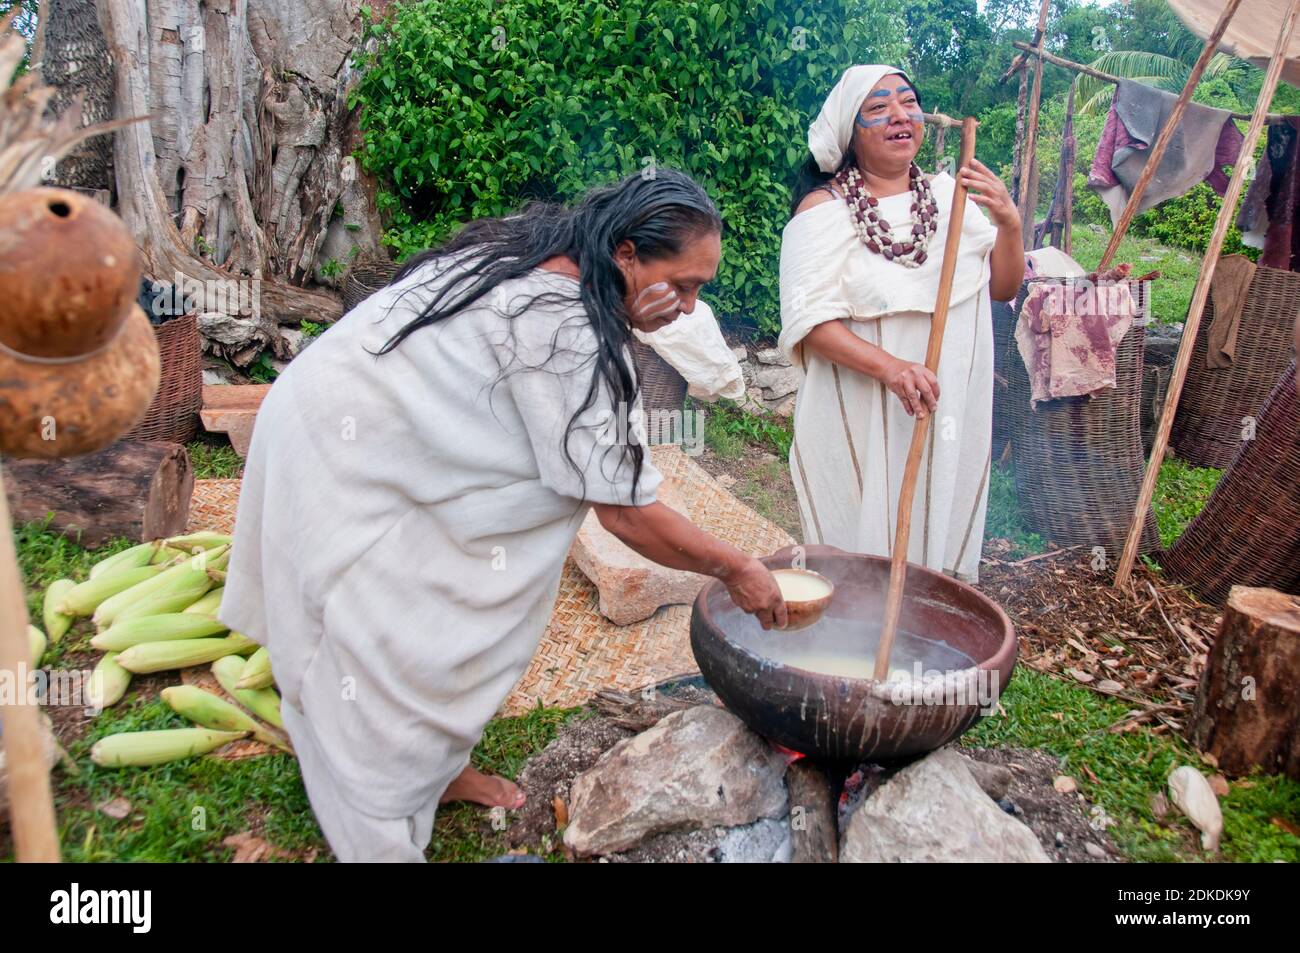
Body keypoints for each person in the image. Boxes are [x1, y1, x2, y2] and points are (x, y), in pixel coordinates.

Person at [221, 170, 786, 862]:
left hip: (354, 421)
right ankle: (377, 813)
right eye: (686, 283)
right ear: (628, 254)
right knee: (391, 640)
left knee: (456, 605)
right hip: (340, 448)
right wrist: (736, 567)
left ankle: (436, 769)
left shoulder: (558, 253)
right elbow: (627, 514)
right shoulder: (564, 327)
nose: (692, 307)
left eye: (703, 287)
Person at [779, 65, 1025, 583]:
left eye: (908, 102)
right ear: (851, 132)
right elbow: (810, 320)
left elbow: (1003, 288)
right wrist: (891, 368)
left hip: (943, 400)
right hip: (861, 399)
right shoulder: (823, 209)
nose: (899, 115)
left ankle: (917, 629)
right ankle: (847, 639)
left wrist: (1010, 223)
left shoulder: (950, 196)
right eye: (878, 107)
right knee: (855, 548)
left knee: (929, 520)